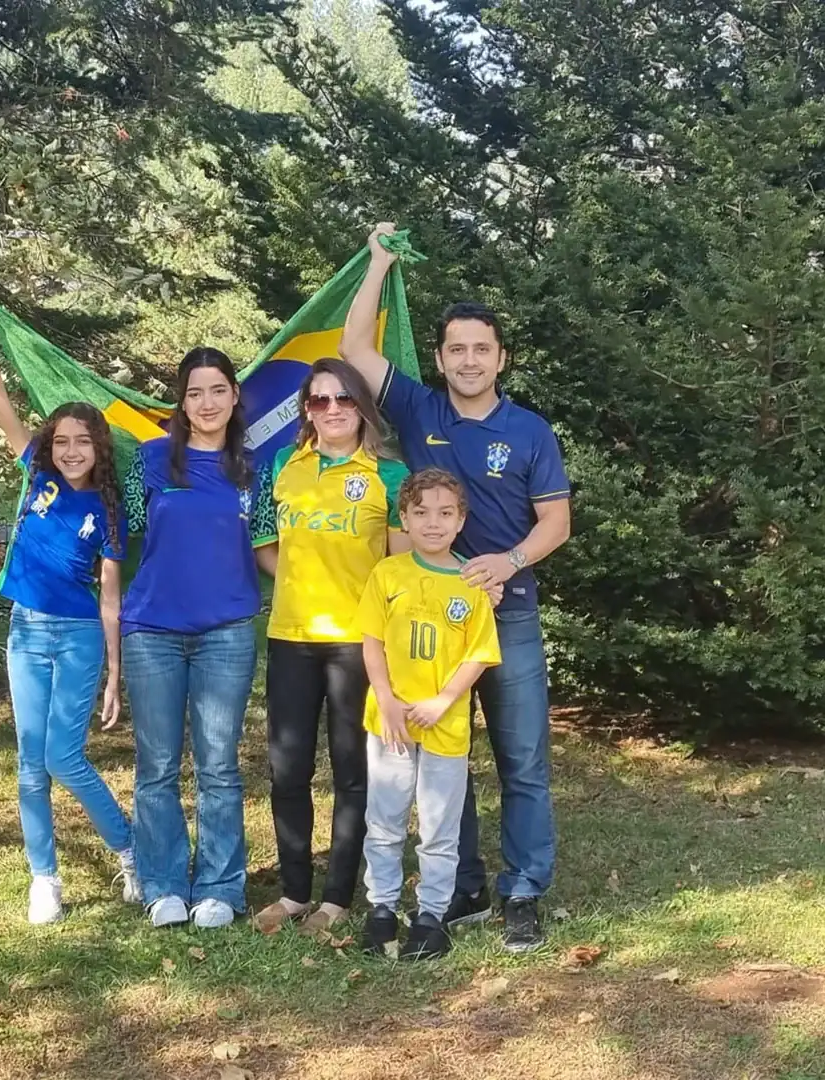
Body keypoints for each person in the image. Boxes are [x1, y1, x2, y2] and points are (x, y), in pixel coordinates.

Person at [340, 224, 572, 953]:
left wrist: (508, 562)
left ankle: (523, 890)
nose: (469, 360)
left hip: (511, 616)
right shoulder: (419, 408)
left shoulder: (530, 431)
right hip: (431, 623)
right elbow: (354, 348)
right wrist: (377, 263)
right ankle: (464, 885)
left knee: (522, 760)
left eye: (482, 349)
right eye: (456, 349)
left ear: (501, 358)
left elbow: (556, 522)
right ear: (439, 359)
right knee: (448, 757)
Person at [0, 287, 136, 926]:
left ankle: (130, 850)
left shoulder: (108, 510)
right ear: (50, 445)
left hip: (78, 636)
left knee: (63, 757)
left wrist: (114, 674)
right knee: (30, 763)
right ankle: (44, 878)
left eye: (83, 442)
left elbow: (111, 598)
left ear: (99, 448)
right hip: (26, 631)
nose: (71, 450)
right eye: (62, 441)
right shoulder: (37, 474)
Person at [252, 358, 412, 936]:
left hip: (357, 645)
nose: (333, 409)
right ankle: (295, 892)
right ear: (307, 410)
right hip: (292, 636)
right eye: (320, 400)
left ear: (362, 407)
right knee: (288, 770)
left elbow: (399, 567)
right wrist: (303, 582)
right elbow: (263, 545)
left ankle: (338, 897)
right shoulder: (280, 465)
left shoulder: (390, 474)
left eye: (345, 398)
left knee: (351, 771)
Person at [121, 347, 278, 930]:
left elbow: (268, 549)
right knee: (156, 766)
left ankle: (219, 886)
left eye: (217, 390)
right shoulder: (151, 459)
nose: (207, 403)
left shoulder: (256, 470)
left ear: (235, 396)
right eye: (194, 393)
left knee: (218, 767)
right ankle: (162, 883)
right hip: (152, 631)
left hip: (226, 632)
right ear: (181, 403)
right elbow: (125, 529)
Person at [357, 469, 501, 960]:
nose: (433, 523)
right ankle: (381, 909)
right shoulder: (388, 574)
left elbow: (479, 653)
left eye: (445, 513)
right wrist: (386, 698)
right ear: (404, 518)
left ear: (461, 521)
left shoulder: (471, 583)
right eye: (421, 513)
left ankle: (431, 916)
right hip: (391, 721)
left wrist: (444, 700)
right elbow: (372, 642)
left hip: (445, 724)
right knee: (385, 819)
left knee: (439, 827)